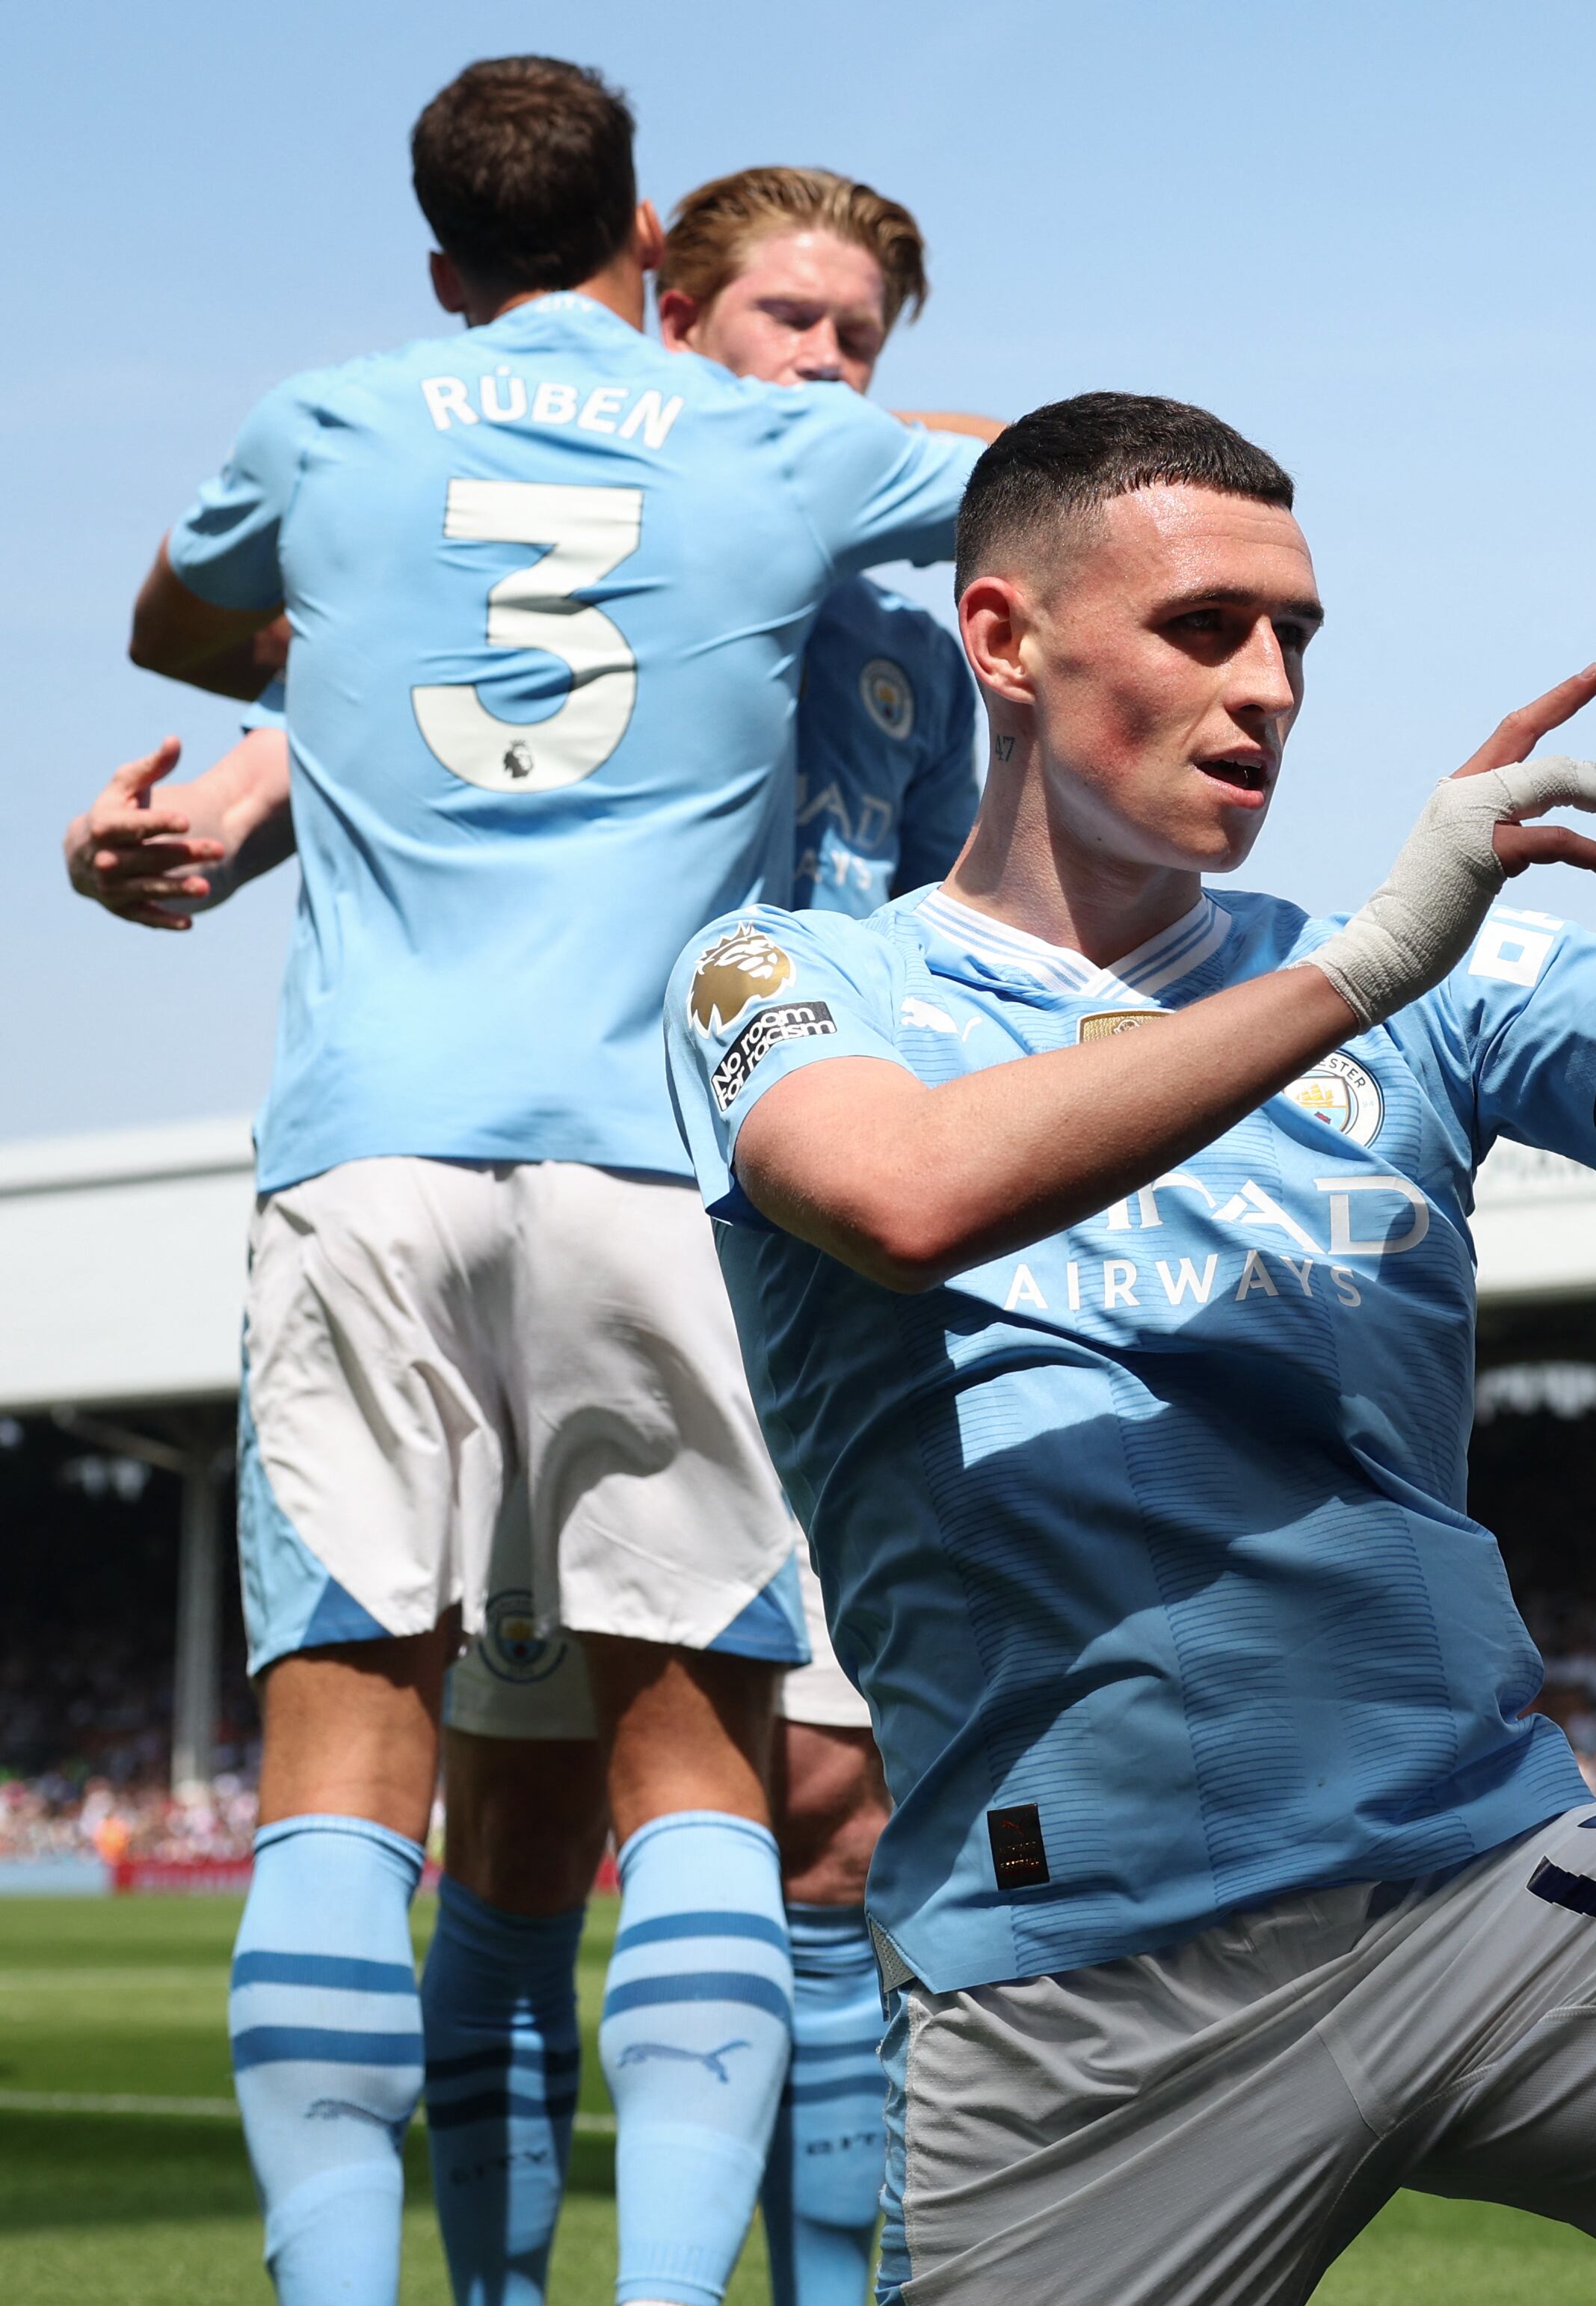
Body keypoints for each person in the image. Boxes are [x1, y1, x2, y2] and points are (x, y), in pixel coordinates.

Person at [664, 300, 1596, 2305]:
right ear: (1003, 642)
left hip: (1488, 1887)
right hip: (1084, 1992)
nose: (1269, 685)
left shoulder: (1433, 986)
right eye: (1205, 626)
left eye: (1297, 635)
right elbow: (900, 1193)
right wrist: (1377, 954)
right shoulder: (795, 979)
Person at [65, 162, 979, 2306]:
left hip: (813, 1268)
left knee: (828, 1825)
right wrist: (180, 824)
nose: (826, 365)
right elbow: (280, 750)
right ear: (671, 318)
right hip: (626, 1206)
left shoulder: (919, 666)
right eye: (790, 321)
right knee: (527, 1831)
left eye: (863, 340)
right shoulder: (570, 573)